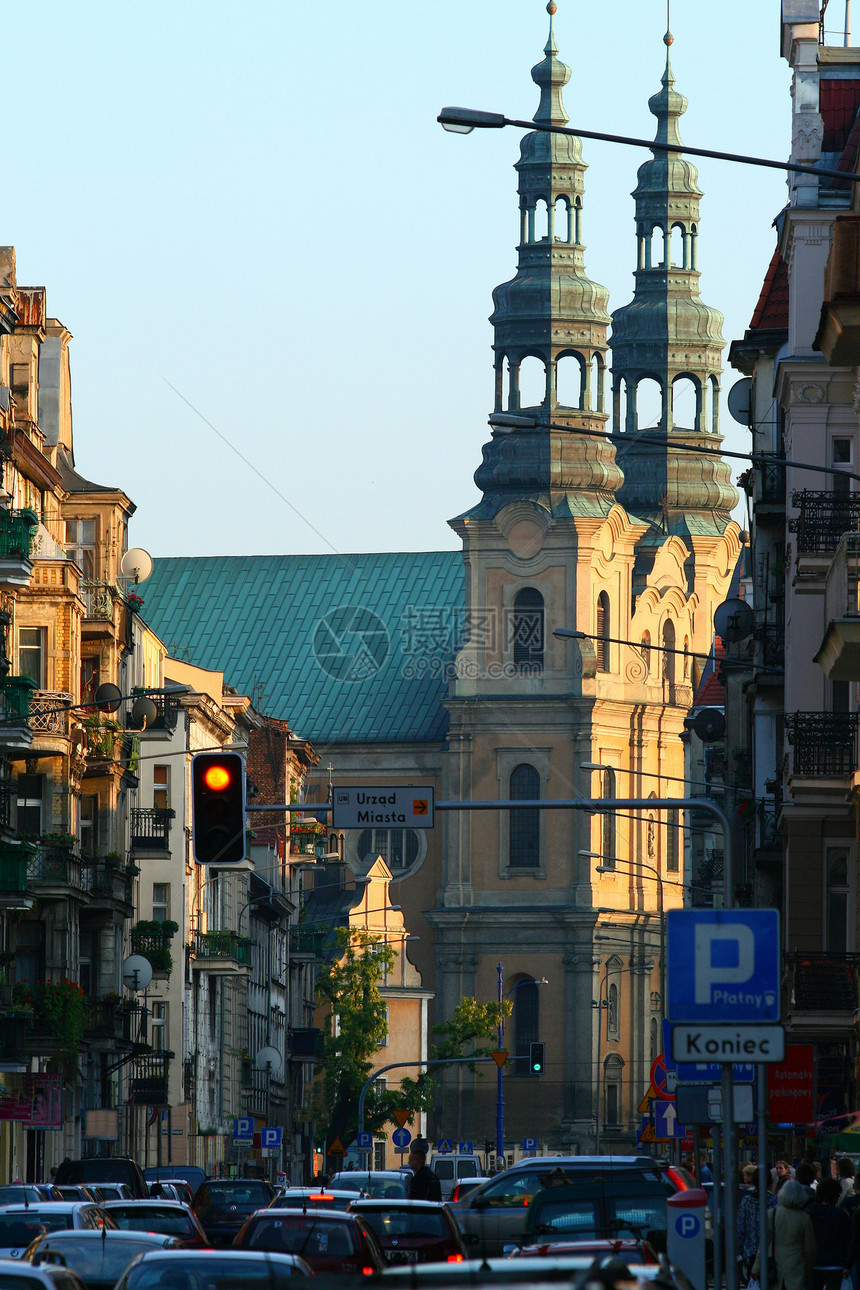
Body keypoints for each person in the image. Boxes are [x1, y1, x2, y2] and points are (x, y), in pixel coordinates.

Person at [751, 1179, 817, 1290]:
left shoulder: (771, 1215)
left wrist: (756, 1269)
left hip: (775, 1268)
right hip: (796, 1268)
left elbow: (763, 1245)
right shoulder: (804, 1218)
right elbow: (810, 1249)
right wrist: (808, 1270)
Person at [807, 1177, 851, 1290]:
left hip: (813, 1262)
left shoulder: (809, 1213)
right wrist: (847, 1263)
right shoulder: (840, 1215)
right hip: (834, 1263)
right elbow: (846, 1239)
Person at [737, 1167, 778, 1284]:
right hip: (770, 1252)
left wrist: (740, 1251)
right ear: (770, 1183)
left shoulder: (747, 1201)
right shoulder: (775, 1201)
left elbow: (740, 1228)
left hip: (751, 1252)